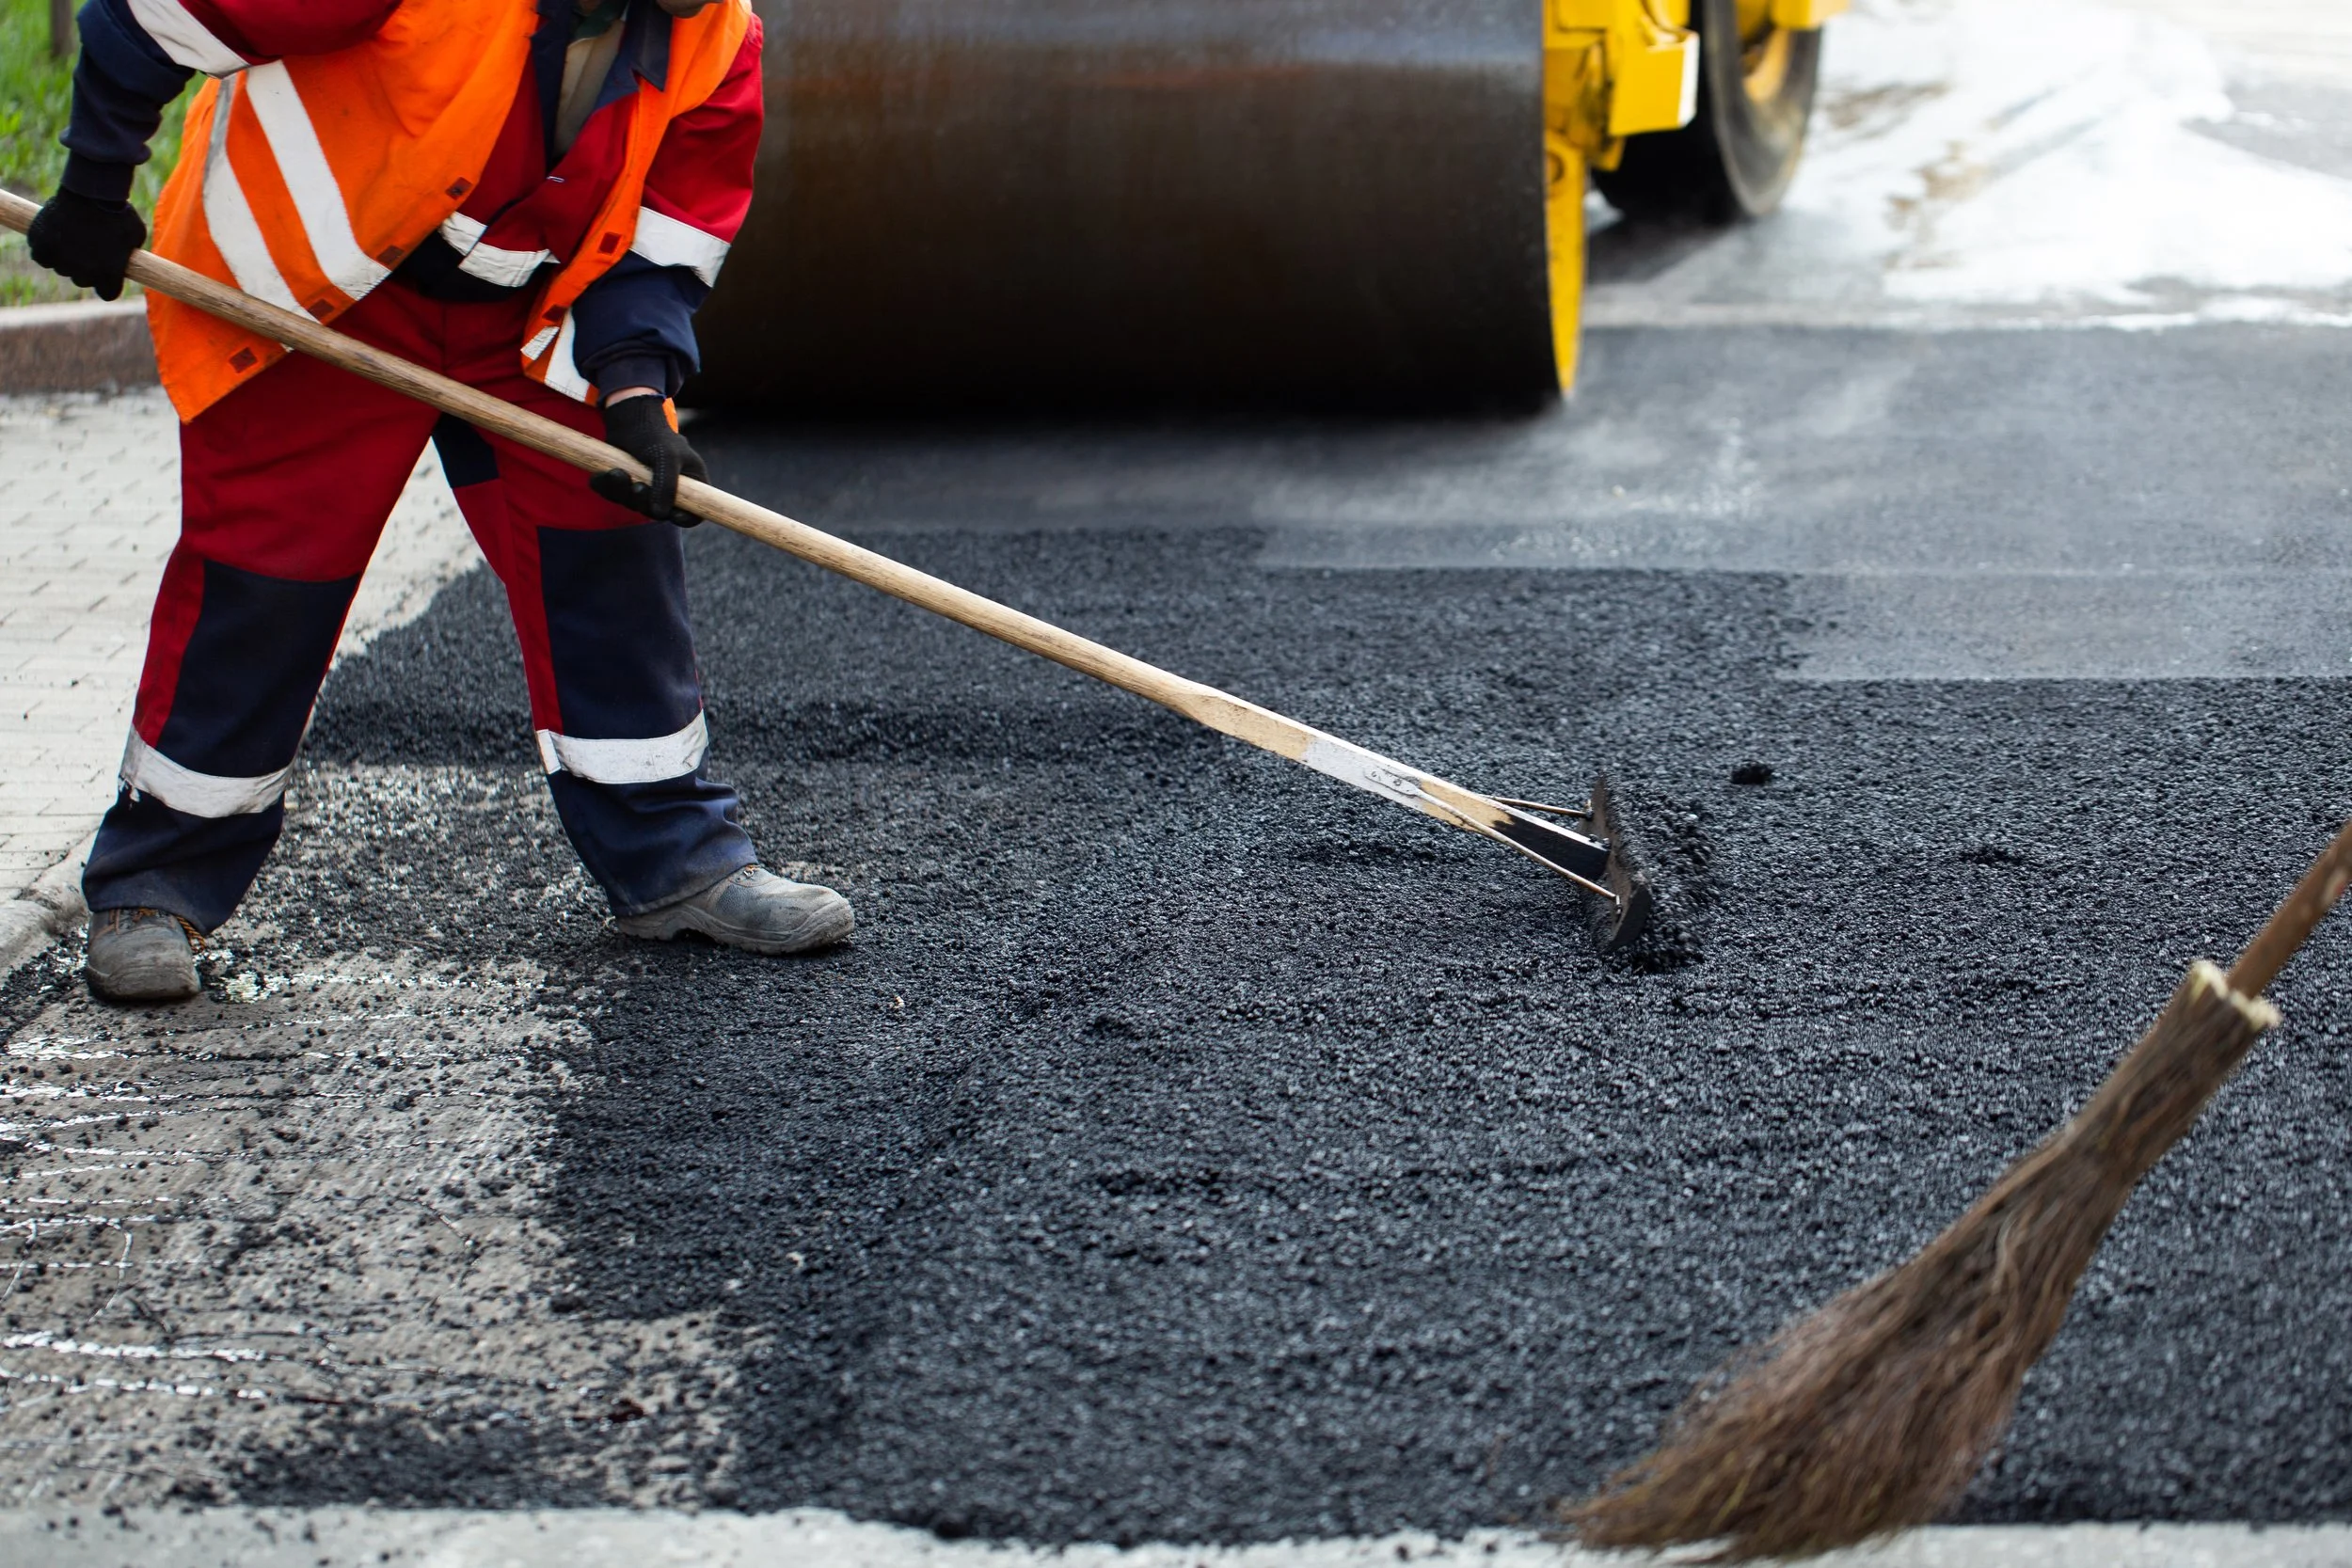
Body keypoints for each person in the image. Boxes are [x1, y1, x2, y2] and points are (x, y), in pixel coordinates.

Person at [26, 0, 852, 1005]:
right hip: (327, 289)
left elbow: (663, 240)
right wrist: (96, 186)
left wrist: (635, 392)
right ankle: (152, 885)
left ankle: (676, 861)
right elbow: (144, 18)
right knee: (266, 581)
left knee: (608, 536)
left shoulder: (718, 39)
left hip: (526, 310)